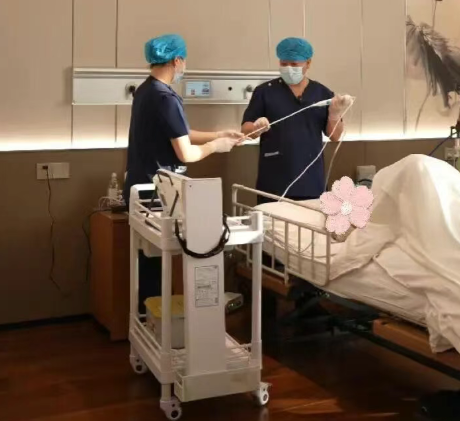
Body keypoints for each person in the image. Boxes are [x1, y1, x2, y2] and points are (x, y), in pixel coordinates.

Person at [123, 33, 244, 313]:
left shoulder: (146, 91)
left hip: (143, 189)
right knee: (157, 266)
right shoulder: (165, 98)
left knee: (149, 264)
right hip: (158, 194)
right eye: (184, 61)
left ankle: (150, 319)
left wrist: (218, 134)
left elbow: (180, 132)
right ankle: (162, 321)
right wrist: (216, 147)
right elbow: (186, 153)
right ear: (177, 60)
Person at [241, 37, 353, 204]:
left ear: (308, 63)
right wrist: (257, 127)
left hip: (311, 181)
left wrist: (335, 114)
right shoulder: (265, 92)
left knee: (309, 219)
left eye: (294, 64)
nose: (288, 68)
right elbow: (245, 131)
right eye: (284, 63)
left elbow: (335, 136)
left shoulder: (322, 93)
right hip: (273, 182)